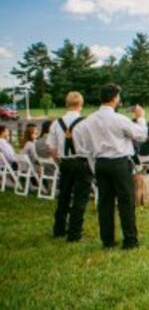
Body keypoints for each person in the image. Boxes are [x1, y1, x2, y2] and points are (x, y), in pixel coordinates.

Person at [73, 84, 147, 250]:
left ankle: (107, 240)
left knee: (104, 203)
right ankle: (130, 240)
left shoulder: (89, 120)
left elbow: (79, 137)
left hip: (101, 163)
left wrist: (92, 155)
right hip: (119, 162)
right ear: (114, 98)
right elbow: (141, 135)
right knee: (125, 201)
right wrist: (141, 117)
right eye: (118, 97)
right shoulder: (118, 119)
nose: (119, 100)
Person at [47, 92, 91, 242]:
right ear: (81, 104)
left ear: (67, 104)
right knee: (80, 197)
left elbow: (52, 149)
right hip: (81, 162)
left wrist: (59, 163)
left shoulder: (55, 123)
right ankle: (75, 232)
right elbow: (91, 146)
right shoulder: (86, 123)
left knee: (63, 196)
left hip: (65, 162)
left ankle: (59, 229)